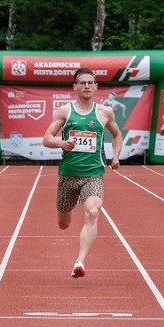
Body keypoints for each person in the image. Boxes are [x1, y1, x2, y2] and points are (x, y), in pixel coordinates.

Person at [42, 68, 122, 278]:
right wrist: (61, 142)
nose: (87, 86)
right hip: (68, 174)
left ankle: (80, 262)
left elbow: (117, 134)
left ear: (96, 87)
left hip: (94, 174)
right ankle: (68, 217)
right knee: (63, 224)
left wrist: (115, 155)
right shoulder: (65, 111)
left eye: (90, 82)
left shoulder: (105, 112)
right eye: (82, 82)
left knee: (93, 212)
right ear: (75, 87)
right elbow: (47, 138)